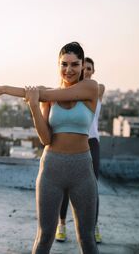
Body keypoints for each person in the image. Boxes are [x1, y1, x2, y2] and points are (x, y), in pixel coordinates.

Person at [0, 42, 99, 254]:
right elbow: (45, 139)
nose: (69, 69)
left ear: (82, 66)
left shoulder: (90, 88)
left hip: (82, 171)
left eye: (75, 64)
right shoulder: (45, 96)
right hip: (51, 168)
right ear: (57, 65)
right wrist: (33, 105)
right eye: (64, 64)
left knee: (87, 238)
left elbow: (46, 94)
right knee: (44, 236)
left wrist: (5, 89)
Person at [55, 56, 105, 244]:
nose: (87, 72)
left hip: (91, 142)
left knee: (93, 187)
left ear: (93, 71)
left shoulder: (97, 89)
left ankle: (94, 226)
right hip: (73, 141)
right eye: (84, 69)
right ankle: (62, 224)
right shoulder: (68, 91)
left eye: (90, 69)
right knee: (65, 186)